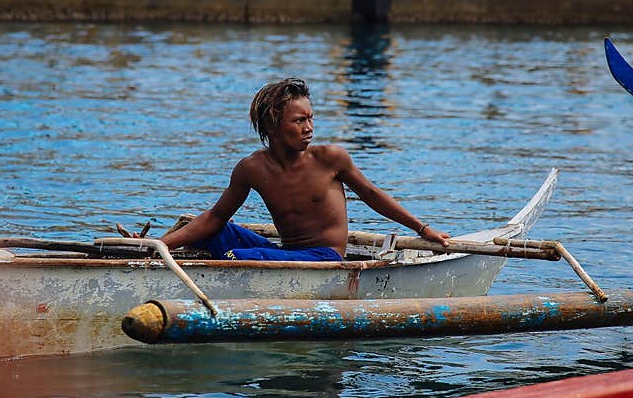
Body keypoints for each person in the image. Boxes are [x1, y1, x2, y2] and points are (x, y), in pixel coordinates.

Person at [157, 78, 450, 261]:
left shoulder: (331, 158)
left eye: (310, 119)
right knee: (213, 231)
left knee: (241, 256)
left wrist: (423, 229)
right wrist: (158, 244)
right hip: (289, 254)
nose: (309, 128)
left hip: (324, 257)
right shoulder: (251, 168)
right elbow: (216, 216)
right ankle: (156, 255)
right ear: (272, 126)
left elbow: (372, 194)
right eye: (299, 121)